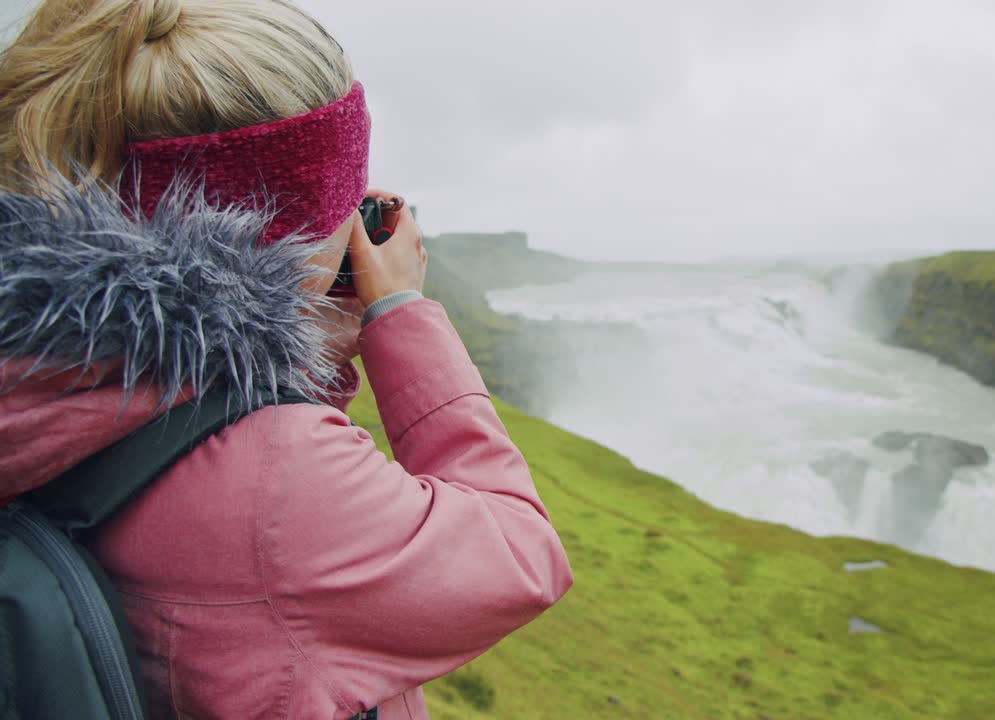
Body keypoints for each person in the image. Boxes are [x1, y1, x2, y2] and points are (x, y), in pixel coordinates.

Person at [0, 1, 574, 718]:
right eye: (343, 199)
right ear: (305, 232)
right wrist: (402, 314)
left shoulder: (48, 374)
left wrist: (298, 342)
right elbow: (522, 555)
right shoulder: (281, 484)